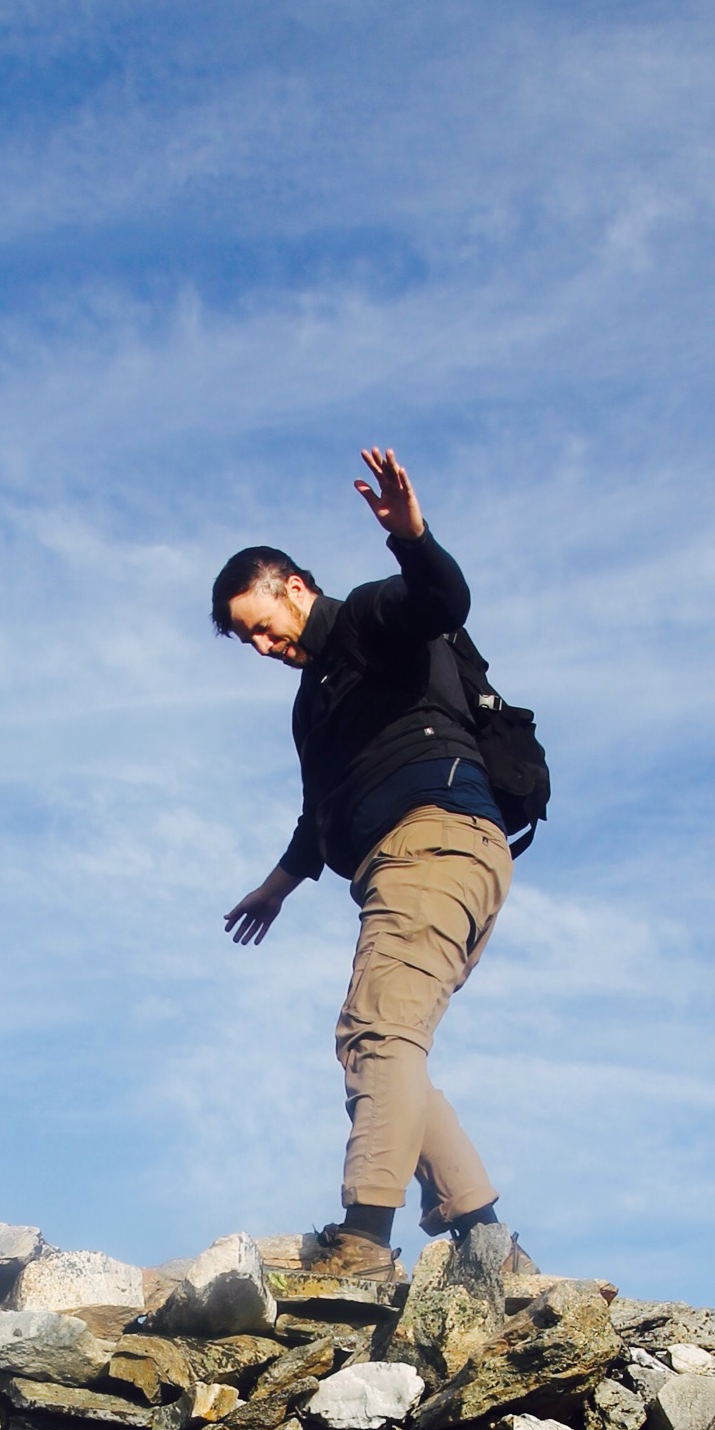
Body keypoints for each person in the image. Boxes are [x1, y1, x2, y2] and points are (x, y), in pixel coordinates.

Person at [213, 447, 527, 1281]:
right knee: (374, 1041)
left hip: (435, 841)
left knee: (380, 1033)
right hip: (413, 859)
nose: (261, 644)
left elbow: (440, 601)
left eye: (261, 623)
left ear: (294, 587)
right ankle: (488, 1244)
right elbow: (319, 812)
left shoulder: (364, 621)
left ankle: (363, 1243)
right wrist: (276, 889)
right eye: (246, 639)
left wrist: (410, 536)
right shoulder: (313, 703)